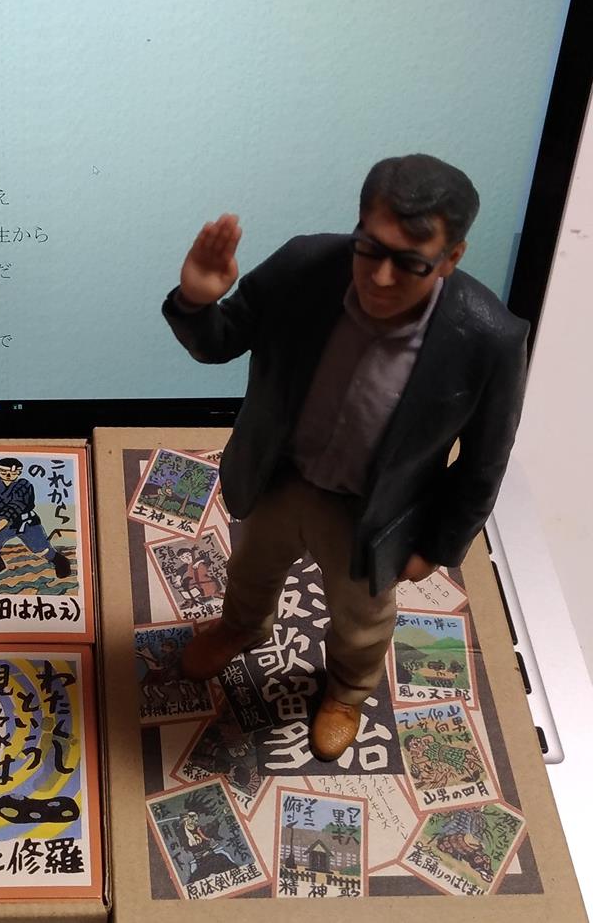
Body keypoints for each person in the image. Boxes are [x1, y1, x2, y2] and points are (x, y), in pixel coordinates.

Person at [163, 154, 528, 761]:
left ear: (452, 257)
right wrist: (197, 302)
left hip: (371, 512)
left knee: (362, 618)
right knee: (251, 567)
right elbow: (222, 341)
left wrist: (438, 545)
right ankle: (241, 627)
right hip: (280, 476)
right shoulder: (305, 266)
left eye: (410, 262)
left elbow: (485, 460)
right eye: (369, 249)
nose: (381, 277)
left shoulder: (489, 338)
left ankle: (348, 690)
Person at [0, 457, 71, 595]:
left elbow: (12, 511)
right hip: (2, 525)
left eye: (13, 473)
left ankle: (60, 561)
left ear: (19, 472)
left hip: (26, 523)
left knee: (41, 549)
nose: (8, 475)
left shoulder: (24, 485)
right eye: (4, 472)